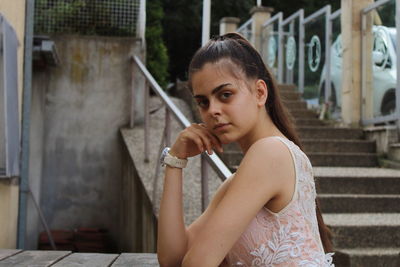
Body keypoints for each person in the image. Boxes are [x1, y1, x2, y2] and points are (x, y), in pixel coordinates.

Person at [157, 33, 334, 267]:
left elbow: (196, 264)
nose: (213, 111)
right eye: (203, 102)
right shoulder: (239, 181)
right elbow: (172, 259)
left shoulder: (270, 153)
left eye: (225, 95)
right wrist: (175, 160)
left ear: (260, 92)